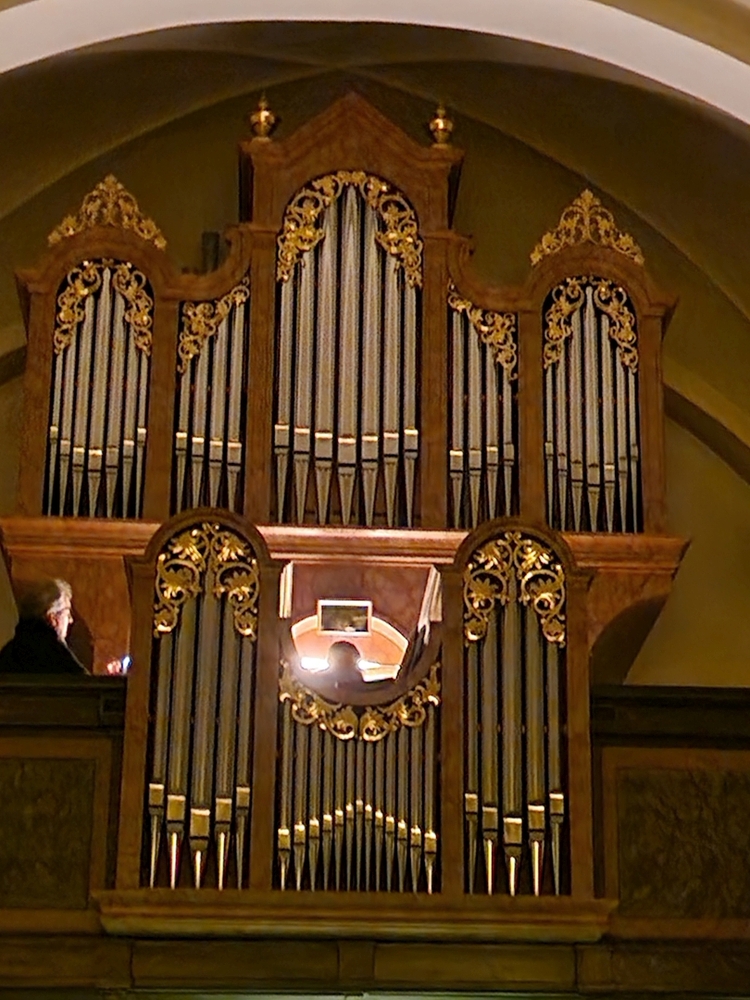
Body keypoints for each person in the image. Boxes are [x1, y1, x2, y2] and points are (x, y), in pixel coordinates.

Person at [0, 577, 87, 674]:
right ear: (53, 618)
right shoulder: (58, 657)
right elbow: (83, 681)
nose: (70, 620)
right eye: (67, 613)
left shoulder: (8, 654)